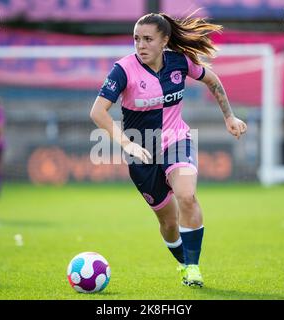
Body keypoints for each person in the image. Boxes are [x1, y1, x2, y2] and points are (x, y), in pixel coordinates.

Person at [89, 12, 247, 288]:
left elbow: (212, 80)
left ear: (165, 41)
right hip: (142, 153)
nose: (141, 45)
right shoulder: (123, 70)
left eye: (148, 39)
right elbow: (98, 112)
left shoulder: (179, 62)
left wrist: (229, 117)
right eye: (136, 39)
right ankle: (185, 264)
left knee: (187, 196)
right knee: (169, 224)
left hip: (177, 141)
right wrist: (128, 144)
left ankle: (194, 268)